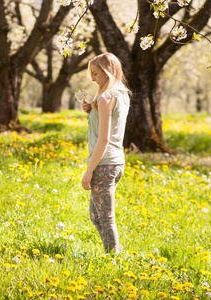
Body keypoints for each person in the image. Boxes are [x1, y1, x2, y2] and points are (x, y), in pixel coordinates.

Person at [81, 53, 130, 254]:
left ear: (107, 72)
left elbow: (103, 139)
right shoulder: (121, 94)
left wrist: (89, 171)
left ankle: (112, 257)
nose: (92, 79)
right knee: (96, 215)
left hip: (104, 164)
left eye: (95, 73)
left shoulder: (105, 98)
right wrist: (91, 110)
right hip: (116, 162)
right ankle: (110, 252)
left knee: (106, 217)